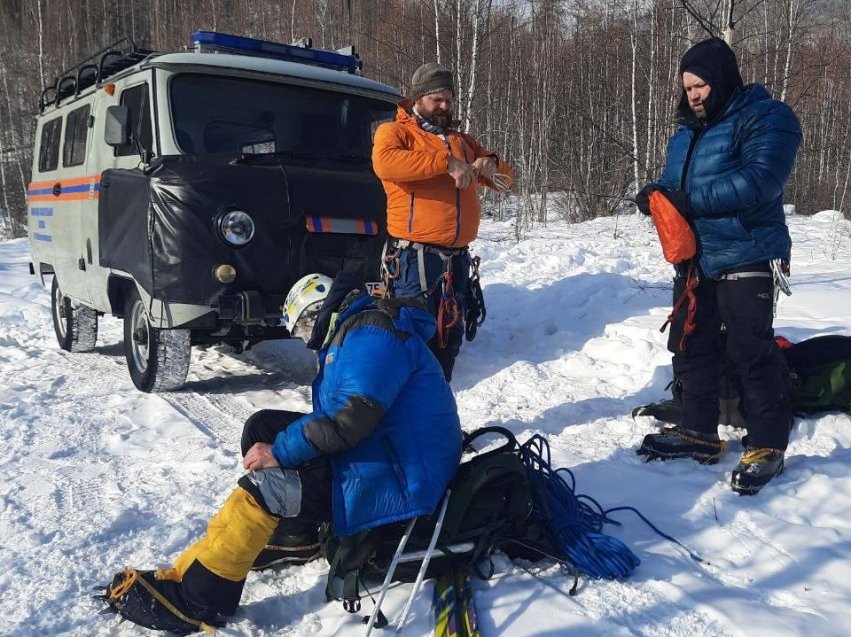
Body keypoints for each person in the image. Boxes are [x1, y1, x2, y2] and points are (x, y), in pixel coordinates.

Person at [99, 272, 463, 634]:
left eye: (304, 329)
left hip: (402, 478)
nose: (307, 340)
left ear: (315, 312)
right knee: (262, 426)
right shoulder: (356, 331)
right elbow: (346, 418)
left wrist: (281, 453)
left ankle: (200, 600)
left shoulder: (371, 336)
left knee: (267, 486)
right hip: (389, 452)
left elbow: (349, 419)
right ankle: (296, 532)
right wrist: (278, 444)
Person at [634, 37, 802, 495]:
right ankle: (698, 431)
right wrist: (655, 196)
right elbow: (674, 183)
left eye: (701, 84)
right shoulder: (687, 131)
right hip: (694, 258)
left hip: (746, 250)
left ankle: (768, 444)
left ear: (723, 79)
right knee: (691, 346)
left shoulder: (769, 118)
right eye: (687, 87)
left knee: (751, 351)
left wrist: (687, 201)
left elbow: (759, 181)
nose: (693, 94)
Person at [372, 62, 514, 381]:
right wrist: (445, 161)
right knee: (412, 341)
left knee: (447, 342)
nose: (444, 106)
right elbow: (386, 164)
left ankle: (436, 414)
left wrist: (490, 163)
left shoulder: (461, 140)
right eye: (437, 99)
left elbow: (508, 178)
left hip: (456, 261)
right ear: (418, 98)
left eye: (448, 99)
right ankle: (404, 419)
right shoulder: (395, 133)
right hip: (413, 259)